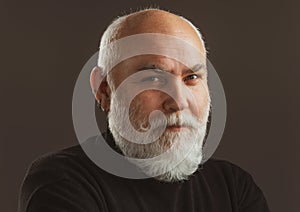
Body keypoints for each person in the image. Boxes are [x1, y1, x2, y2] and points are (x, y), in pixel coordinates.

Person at [18, 9, 270, 212]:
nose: (178, 101)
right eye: (153, 79)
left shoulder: (233, 188)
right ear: (105, 91)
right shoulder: (63, 181)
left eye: (192, 77)